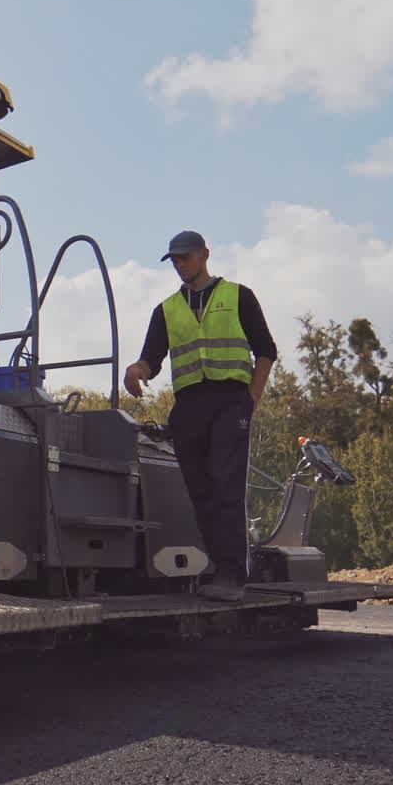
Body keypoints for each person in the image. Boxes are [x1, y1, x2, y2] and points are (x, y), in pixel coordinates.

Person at [123, 230, 277, 601]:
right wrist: (137, 370)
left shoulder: (238, 296)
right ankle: (219, 568)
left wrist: (251, 399)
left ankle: (233, 575)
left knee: (226, 485)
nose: (180, 264)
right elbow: (151, 359)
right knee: (201, 493)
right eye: (174, 259)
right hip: (189, 407)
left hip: (230, 401)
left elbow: (266, 350)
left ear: (204, 254)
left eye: (185, 257)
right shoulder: (166, 310)